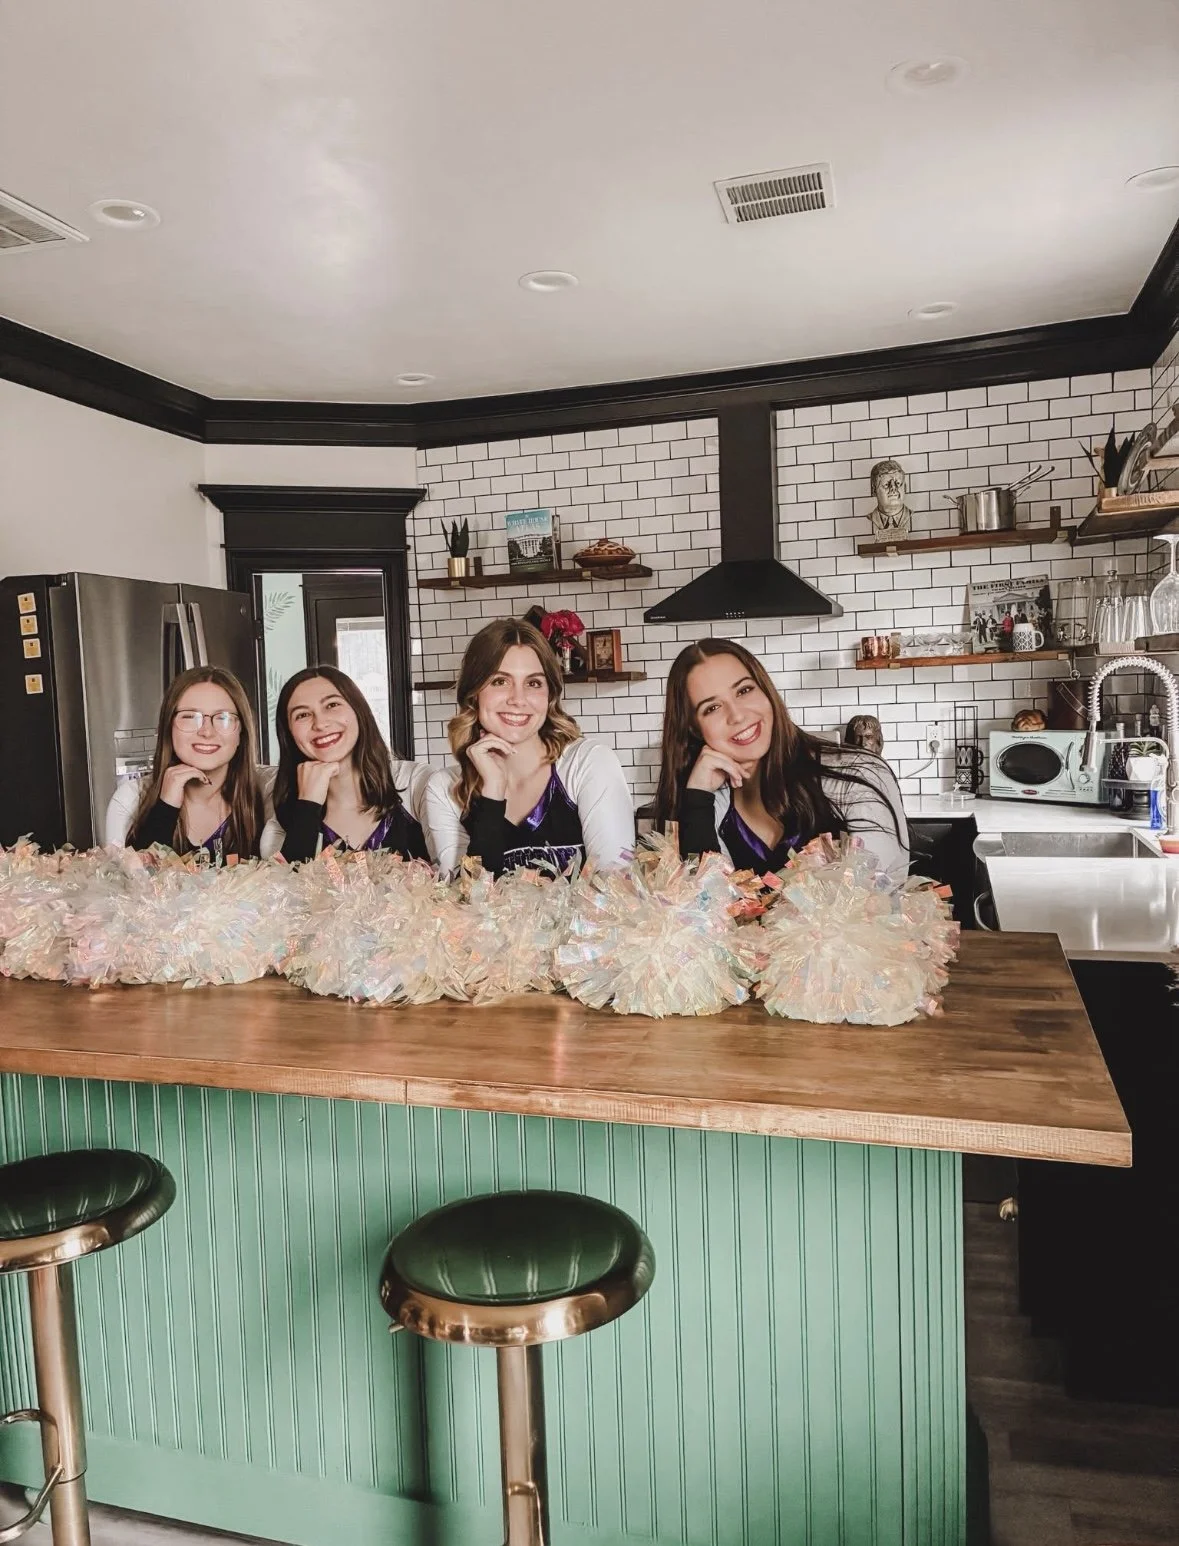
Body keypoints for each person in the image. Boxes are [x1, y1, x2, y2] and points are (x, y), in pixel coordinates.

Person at [653, 639, 909, 879]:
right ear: (695, 729)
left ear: (766, 692)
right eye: (712, 708)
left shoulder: (858, 777)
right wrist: (698, 802)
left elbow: (879, 907)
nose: (737, 716)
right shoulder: (701, 802)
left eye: (744, 690)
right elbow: (693, 915)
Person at [426, 618, 635, 876]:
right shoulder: (445, 790)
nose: (518, 699)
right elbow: (466, 904)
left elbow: (618, 894)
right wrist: (492, 791)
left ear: (549, 695)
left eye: (533, 683)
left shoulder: (588, 764)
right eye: (499, 681)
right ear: (474, 693)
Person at [261, 666, 434, 863]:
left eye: (331, 705)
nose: (320, 723)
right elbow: (284, 889)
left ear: (358, 711)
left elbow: (462, 877)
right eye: (302, 715)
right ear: (289, 733)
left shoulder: (416, 786)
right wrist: (308, 805)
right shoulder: (281, 822)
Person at [105, 665, 264, 860]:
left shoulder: (266, 795)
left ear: (241, 732)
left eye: (223, 717)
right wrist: (165, 807)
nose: (207, 731)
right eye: (190, 717)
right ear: (169, 727)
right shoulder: (129, 800)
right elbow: (135, 886)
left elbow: (296, 877)